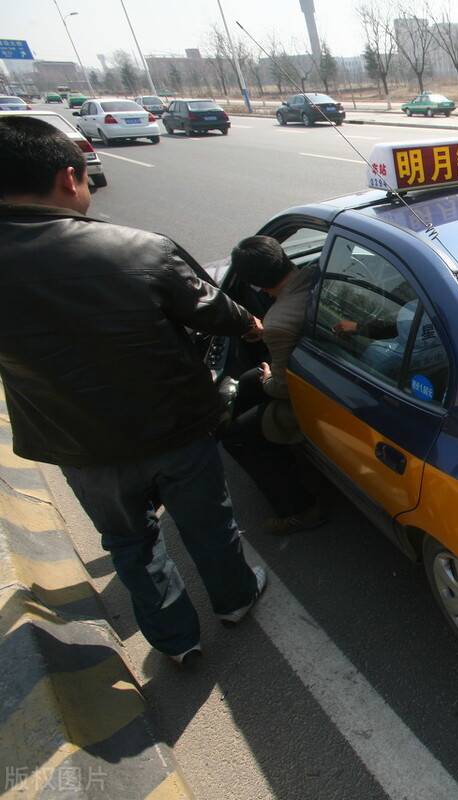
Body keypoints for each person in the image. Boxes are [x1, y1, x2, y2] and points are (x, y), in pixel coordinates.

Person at [0, 116, 267, 667]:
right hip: (176, 428)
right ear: (67, 177)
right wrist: (250, 325)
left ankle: (176, 642)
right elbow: (214, 312)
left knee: (130, 543)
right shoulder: (139, 250)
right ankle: (236, 600)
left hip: (79, 447)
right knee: (209, 523)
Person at [224, 236, 326, 536]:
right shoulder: (320, 273)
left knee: (237, 435)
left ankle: (300, 509)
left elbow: (283, 389)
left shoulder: (279, 320)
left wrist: (267, 376)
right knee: (246, 382)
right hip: (327, 374)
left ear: (254, 284)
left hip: (314, 399)